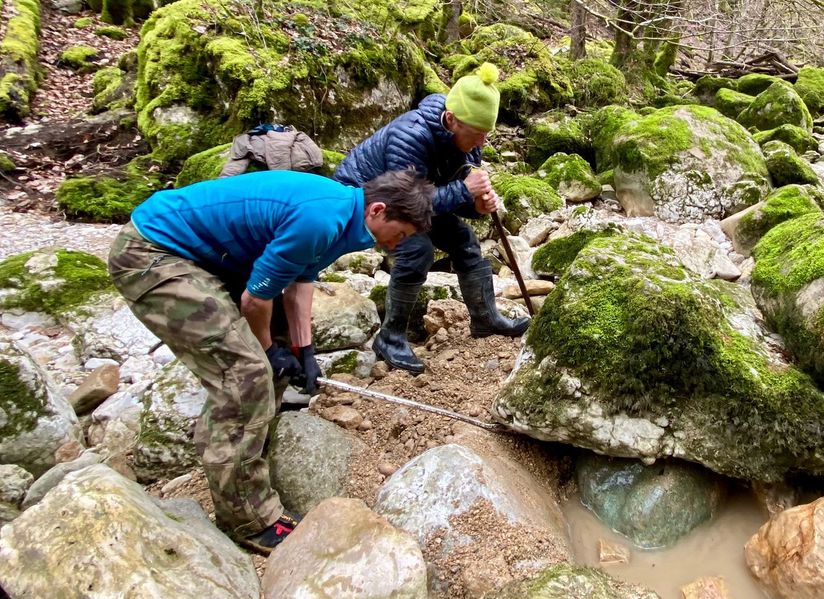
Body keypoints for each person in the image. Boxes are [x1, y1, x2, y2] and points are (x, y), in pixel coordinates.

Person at [106, 169, 433, 554]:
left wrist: (302, 351)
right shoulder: (322, 217)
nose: (397, 245)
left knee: (271, 350)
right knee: (247, 373)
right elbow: (254, 301)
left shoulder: (342, 214)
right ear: (378, 210)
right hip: (154, 253)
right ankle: (246, 517)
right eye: (402, 233)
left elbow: (300, 280)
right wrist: (268, 353)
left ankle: (247, 448)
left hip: (205, 257)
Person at [334, 62, 529, 375]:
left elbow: (448, 200)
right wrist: (464, 188)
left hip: (413, 201)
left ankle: (485, 318)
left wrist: (475, 205)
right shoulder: (409, 136)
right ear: (452, 120)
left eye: (486, 135)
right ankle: (390, 337)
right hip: (369, 200)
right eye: (477, 135)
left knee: (464, 239)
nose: (481, 143)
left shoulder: (469, 139)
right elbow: (408, 204)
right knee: (417, 249)